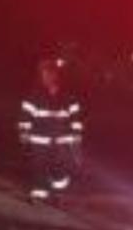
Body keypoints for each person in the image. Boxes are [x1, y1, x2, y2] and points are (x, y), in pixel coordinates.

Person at [17, 57, 84, 201]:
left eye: (50, 73)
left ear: (56, 75)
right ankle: (40, 193)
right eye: (44, 73)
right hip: (40, 139)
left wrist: (77, 134)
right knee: (39, 166)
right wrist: (23, 131)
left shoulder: (68, 96)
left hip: (62, 140)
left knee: (60, 167)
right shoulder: (34, 95)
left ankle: (58, 192)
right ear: (40, 75)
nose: (48, 76)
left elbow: (76, 116)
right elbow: (25, 115)